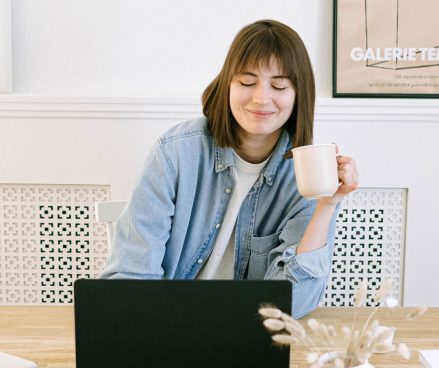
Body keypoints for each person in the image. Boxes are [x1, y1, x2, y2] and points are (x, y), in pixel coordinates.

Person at [100, 19, 359, 319]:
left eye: (279, 85)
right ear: (227, 85)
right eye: (247, 82)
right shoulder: (175, 152)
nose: (261, 98)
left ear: (298, 94)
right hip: (167, 324)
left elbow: (292, 304)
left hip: (247, 335)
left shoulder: (309, 174)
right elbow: (131, 280)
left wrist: (326, 205)